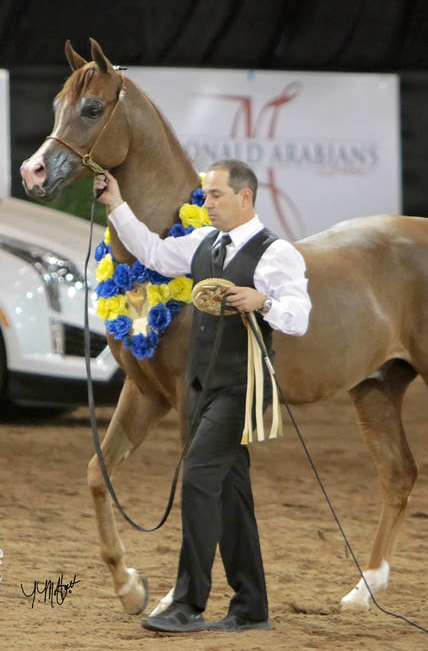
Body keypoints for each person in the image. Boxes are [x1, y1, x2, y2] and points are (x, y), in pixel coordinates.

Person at [94, 159, 311, 633]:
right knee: (233, 495)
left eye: (215, 195)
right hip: (200, 385)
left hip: (241, 387)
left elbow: (300, 316)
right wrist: (116, 205)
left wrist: (265, 302)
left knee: (197, 480)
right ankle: (251, 607)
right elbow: (150, 250)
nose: (206, 203)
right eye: (206, 195)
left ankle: (188, 603)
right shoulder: (201, 244)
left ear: (245, 197)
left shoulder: (276, 254)